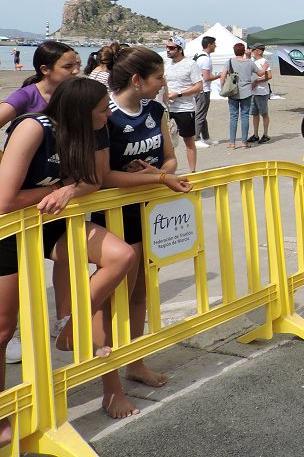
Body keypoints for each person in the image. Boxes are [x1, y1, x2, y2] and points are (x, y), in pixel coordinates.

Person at [0, 78, 139, 428]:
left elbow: (94, 181)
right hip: (8, 228)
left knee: (121, 256)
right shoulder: (33, 128)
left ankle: (72, 324)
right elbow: (5, 201)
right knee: (3, 329)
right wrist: (62, 188)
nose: (109, 116)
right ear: (79, 112)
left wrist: (71, 190)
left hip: (51, 221)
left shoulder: (93, 129)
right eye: (103, 110)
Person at [94, 47, 193, 406]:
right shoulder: (107, 114)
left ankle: (135, 361)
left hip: (148, 210)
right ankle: (108, 383)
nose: (162, 83)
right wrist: (158, 178)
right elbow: (103, 177)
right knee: (107, 300)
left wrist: (156, 175)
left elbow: (170, 158)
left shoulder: (155, 109)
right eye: (158, 78)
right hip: (112, 214)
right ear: (137, 80)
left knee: (140, 293)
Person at [0, 41, 80, 131]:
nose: (75, 71)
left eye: (76, 65)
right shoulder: (25, 96)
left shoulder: (74, 95)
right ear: (45, 69)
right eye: (68, 66)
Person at [163, 36, 203, 172]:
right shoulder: (166, 65)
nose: (168, 50)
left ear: (180, 49)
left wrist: (178, 94)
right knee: (169, 143)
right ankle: (171, 171)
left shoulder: (191, 64)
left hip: (185, 108)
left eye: (172, 48)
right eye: (167, 47)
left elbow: (198, 87)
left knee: (188, 140)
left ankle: (192, 171)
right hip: (168, 109)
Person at [220, 43, 258, 149]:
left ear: (234, 51)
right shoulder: (250, 62)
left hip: (233, 91)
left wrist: (223, 87)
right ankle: (244, 142)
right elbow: (259, 73)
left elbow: (223, 76)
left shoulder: (229, 61)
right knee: (245, 116)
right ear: (244, 51)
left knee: (233, 116)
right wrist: (264, 67)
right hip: (247, 91)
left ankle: (232, 142)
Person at [192, 35, 217, 147]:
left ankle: (205, 137)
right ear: (209, 45)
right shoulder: (206, 59)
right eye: (214, 44)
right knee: (200, 115)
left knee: (202, 114)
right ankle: (196, 139)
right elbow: (206, 78)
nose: (215, 46)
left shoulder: (198, 55)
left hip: (198, 89)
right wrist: (219, 76)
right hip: (203, 90)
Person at [247, 45, 273, 144]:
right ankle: (256, 134)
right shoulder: (253, 61)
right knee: (254, 113)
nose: (252, 51)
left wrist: (256, 81)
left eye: (253, 50)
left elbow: (269, 76)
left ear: (258, 51)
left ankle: (266, 134)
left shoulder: (263, 61)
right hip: (253, 91)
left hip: (262, 91)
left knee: (264, 113)